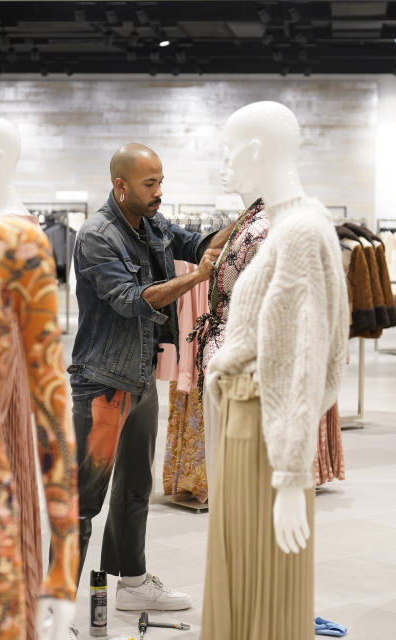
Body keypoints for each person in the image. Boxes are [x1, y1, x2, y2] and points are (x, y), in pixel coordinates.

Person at [67, 143, 234, 617]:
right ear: (121, 185)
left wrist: (246, 220)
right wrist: (196, 279)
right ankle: (51, 609)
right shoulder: (97, 235)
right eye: (149, 184)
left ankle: (133, 583)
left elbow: (195, 242)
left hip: (139, 380)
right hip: (104, 385)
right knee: (85, 498)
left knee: (136, 485)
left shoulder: (151, 223)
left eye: (161, 181)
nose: (159, 192)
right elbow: (131, 299)